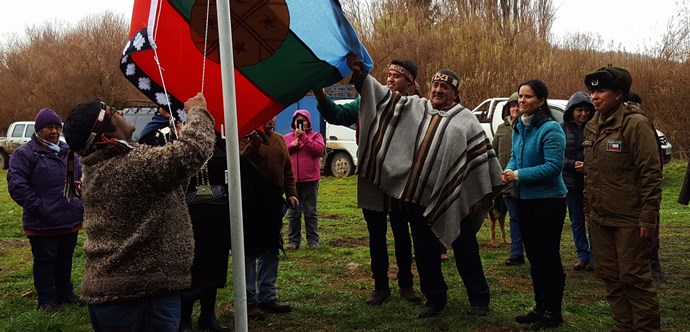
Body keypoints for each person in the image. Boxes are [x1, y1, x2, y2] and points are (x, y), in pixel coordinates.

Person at [347, 54, 504, 318]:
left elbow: (482, 161)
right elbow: (385, 100)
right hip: (419, 199)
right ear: (429, 88)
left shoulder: (466, 120)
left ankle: (479, 299)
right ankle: (435, 299)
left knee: (465, 249)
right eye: (435, 86)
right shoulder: (416, 109)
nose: (439, 90)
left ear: (455, 93)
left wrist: (477, 195)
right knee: (424, 252)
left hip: (458, 200)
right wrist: (362, 76)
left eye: (446, 88)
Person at [63, 94, 216, 331]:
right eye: (114, 112)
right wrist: (197, 113)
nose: (122, 112)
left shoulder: (106, 166)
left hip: (128, 295)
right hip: (139, 297)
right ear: (106, 137)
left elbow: (169, 186)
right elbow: (193, 151)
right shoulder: (128, 166)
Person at [312, 59, 423, 305]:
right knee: (376, 235)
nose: (391, 79)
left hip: (401, 178)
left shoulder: (414, 107)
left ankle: (407, 284)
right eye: (389, 74)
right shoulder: (367, 101)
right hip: (371, 176)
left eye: (397, 76)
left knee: (402, 234)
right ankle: (380, 287)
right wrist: (320, 94)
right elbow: (338, 114)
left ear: (409, 83)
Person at [583, 65, 663, 331]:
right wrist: (588, 210)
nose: (594, 96)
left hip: (630, 219)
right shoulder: (593, 124)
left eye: (601, 90)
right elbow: (591, 172)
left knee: (635, 280)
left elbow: (651, 174)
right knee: (611, 278)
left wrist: (648, 217)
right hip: (601, 217)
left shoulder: (635, 124)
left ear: (619, 93)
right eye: (592, 90)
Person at [139, 111, 231, 332]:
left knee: (214, 264)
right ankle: (184, 319)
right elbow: (145, 137)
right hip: (189, 216)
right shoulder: (172, 148)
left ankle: (208, 316)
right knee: (192, 266)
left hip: (217, 215)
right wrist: (163, 114)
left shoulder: (217, 142)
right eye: (184, 123)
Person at [503, 80, 567, 330]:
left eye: (528, 97)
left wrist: (518, 175)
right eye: (520, 96)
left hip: (549, 202)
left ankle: (554, 312)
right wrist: (510, 167)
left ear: (541, 101)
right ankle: (539, 307)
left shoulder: (551, 129)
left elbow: (553, 167)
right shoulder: (520, 125)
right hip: (525, 200)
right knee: (534, 256)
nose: (522, 100)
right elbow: (515, 156)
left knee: (548, 257)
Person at [7, 108, 84, 312]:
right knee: (45, 261)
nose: (54, 131)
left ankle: (65, 293)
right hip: (42, 222)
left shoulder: (69, 153)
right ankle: (47, 300)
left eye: (58, 127)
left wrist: (79, 204)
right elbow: (17, 185)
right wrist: (40, 208)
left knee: (65, 259)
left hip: (69, 219)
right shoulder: (24, 154)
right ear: (39, 130)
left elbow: (80, 180)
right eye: (49, 127)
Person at [239, 117, 299, 321]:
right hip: (250, 202)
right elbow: (240, 164)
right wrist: (253, 146)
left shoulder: (280, 139)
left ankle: (267, 297)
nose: (270, 119)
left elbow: (287, 171)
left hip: (272, 202)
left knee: (271, 249)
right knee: (249, 251)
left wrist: (291, 192)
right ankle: (248, 301)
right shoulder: (243, 137)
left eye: (273, 115)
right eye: (267, 116)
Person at [628, 91, 664, 280]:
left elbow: (652, 166)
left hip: (643, 189)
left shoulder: (640, 125)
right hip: (628, 191)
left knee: (649, 225)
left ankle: (653, 260)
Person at [562, 91, 595, 271]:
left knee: (593, 219)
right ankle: (582, 254)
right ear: (571, 111)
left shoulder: (596, 128)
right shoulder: (561, 129)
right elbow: (556, 157)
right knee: (576, 220)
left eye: (587, 110)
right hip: (570, 183)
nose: (584, 114)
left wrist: (587, 166)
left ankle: (594, 255)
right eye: (579, 110)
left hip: (591, 182)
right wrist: (573, 164)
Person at [284, 109, 325, 249]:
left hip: (311, 180)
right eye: (297, 120)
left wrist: (304, 139)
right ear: (293, 123)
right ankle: (293, 241)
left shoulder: (316, 136)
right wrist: (291, 146)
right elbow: (283, 153)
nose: (300, 122)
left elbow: (320, 150)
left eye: (303, 120)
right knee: (294, 212)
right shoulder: (288, 137)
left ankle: (313, 241)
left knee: (310, 211)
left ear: (309, 122)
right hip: (292, 181)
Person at [493, 92, 526, 266]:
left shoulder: (528, 128)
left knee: (527, 218)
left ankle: (532, 250)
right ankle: (516, 253)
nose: (514, 108)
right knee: (513, 218)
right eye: (511, 106)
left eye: (517, 105)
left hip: (526, 182)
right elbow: (492, 152)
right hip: (507, 184)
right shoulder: (501, 129)